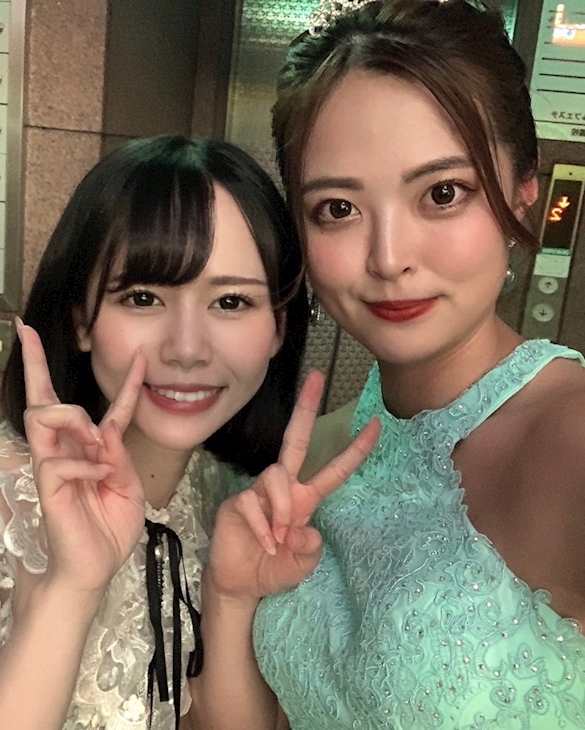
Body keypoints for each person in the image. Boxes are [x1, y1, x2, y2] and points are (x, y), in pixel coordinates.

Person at [0, 135, 337, 730]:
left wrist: (230, 602)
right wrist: (69, 592)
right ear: (81, 319)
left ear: (279, 327)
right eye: (143, 297)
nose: (187, 348)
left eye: (232, 302)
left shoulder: (231, 502)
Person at [191, 1, 585, 728]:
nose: (389, 258)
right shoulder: (314, 454)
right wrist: (231, 596)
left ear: (524, 191)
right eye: (338, 209)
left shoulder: (571, 438)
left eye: (443, 194)